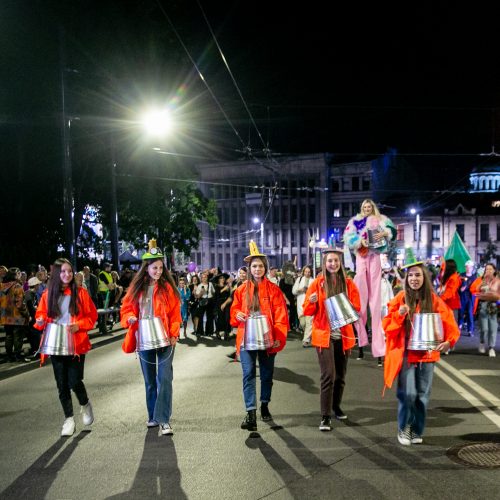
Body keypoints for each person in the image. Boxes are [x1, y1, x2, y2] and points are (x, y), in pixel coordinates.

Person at [382, 258, 460, 446]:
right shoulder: (400, 298)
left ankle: (416, 430)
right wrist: (399, 314)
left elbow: (449, 322)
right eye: (410, 275)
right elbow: (387, 327)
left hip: (427, 355)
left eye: (418, 275)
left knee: (423, 395)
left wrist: (449, 342)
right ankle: (404, 428)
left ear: (424, 277)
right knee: (408, 394)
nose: (414, 279)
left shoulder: (433, 300)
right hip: (406, 354)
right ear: (406, 278)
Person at [120, 240, 181, 435]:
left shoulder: (167, 288)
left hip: (165, 340)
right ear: (146, 268)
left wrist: (174, 334)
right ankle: (153, 416)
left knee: (164, 378)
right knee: (150, 381)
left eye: (161, 268)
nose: (158, 271)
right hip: (144, 338)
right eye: (155, 268)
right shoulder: (136, 288)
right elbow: (127, 308)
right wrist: (129, 318)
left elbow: (175, 314)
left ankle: (164, 420)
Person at [34, 258, 98, 436]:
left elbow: (92, 317)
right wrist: (40, 321)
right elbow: (41, 315)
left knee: (74, 380)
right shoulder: (48, 295)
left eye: (69, 271)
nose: (67, 274)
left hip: (76, 343)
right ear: (56, 273)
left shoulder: (81, 293)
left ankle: (85, 404)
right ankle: (68, 419)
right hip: (56, 343)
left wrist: (79, 325)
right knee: (61, 383)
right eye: (63, 271)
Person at [230, 240, 289, 431]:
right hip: (246, 338)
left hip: (268, 338)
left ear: (265, 268)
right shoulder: (240, 290)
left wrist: (279, 336)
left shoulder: (274, 290)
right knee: (248, 375)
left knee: (266, 375)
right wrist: (237, 315)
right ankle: (251, 412)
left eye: (260, 266)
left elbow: (281, 315)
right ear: (249, 268)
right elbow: (234, 312)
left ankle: (264, 405)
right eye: (254, 266)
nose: (257, 269)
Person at [303, 249, 361, 431]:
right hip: (324, 335)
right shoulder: (317, 283)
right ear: (325, 263)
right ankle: (325, 416)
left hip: (343, 336)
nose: (333, 264)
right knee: (328, 374)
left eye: (336, 261)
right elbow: (307, 310)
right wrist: (312, 301)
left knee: (341, 377)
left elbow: (357, 309)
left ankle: (336, 406)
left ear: (340, 262)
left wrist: (351, 306)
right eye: (330, 261)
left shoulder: (348, 283)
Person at [343, 199, 396, 361]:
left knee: (375, 301)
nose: (366, 209)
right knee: (360, 301)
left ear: (372, 207)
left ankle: (379, 347)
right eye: (364, 207)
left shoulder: (382, 219)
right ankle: (361, 339)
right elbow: (347, 236)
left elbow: (391, 230)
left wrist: (385, 233)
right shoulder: (355, 221)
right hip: (361, 256)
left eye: (369, 207)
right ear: (362, 208)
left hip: (374, 256)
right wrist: (360, 241)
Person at [0, 267, 30, 362]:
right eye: (19, 274)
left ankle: (10, 356)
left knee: (9, 336)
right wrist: (27, 315)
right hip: (17, 316)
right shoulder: (17, 286)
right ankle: (18, 356)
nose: (20, 275)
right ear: (15, 275)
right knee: (18, 337)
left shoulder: (1, 286)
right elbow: (20, 304)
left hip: (5, 316)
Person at [470, 263, 500, 357]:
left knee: (493, 328)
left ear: (494, 270)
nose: (488, 271)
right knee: (484, 328)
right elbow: (475, 290)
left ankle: (491, 347)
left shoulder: (498, 281)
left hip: (494, 306)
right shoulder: (481, 280)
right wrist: (482, 283)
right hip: (483, 305)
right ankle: (482, 342)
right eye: (487, 269)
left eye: (490, 269)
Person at [292, 265, 314, 347]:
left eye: (309, 272)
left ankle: (305, 340)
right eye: (306, 272)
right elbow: (294, 291)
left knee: (309, 323)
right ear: (303, 272)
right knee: (303, 323)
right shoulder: (299, 279)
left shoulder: (313, 281)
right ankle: (309, 336)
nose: (307, 273)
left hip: (310, 305)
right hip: (300, 305)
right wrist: (301, 290)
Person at [436, 259, 462, 325]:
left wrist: (439, 300)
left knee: (451, 326)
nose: (443, 267)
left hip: (451, 305)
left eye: (444, 266)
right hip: (446, 304)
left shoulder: (454, 278)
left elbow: (449, 293)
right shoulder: (448, 277)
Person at [458, 260, 477, 336]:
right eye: (467, 267)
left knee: (470, 313)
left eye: (470, 267)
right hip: (462, 296)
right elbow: (456, 286)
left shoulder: (474, 277)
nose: (468, 268)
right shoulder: (461, 276)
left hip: (471, 297)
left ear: (472, 268)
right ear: (465, 267)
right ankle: (459, 326)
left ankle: (470, 330)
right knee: (461, 312)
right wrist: (460, 289)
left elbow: (477, 287)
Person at [194, 271, 215, 337]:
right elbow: (197, 296)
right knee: (200, 317)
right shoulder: (199, 286)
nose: (204, 279)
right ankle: (200, 332)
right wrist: (201, 293)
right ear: (201, 278)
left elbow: (213, 292)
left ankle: (209, 332)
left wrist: (211, 295)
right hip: (202, 301)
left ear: (207, 278)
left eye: (205, 277)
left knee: (210, 317)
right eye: (202, 277)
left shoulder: (210, 284)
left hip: (210, 301)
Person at [214, 272, 232, 340]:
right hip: (219, 303)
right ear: (218, 279)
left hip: (226, 303)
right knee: (220, 318)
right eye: (221, 278)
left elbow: (230, 295)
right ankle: (218, 332)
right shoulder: (216, 286)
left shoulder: (227, 285)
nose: (222, 279)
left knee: (227, 318)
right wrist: (224, 289)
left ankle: (226, 333)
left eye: (223, 278)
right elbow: (217, 295)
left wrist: (229, 288)